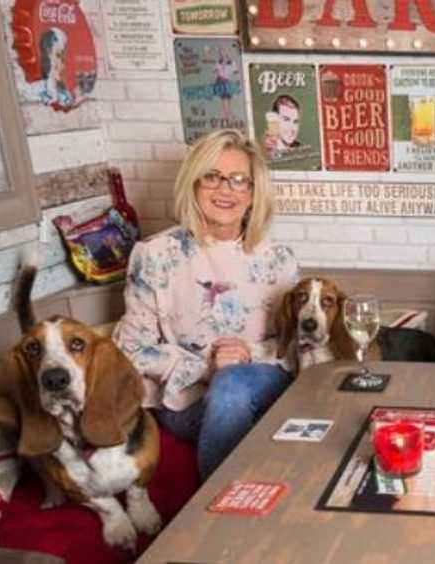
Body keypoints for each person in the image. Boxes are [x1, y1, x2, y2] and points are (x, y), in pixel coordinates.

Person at [113, 129, 298, 480]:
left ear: (253, 193)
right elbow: (131, 349)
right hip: (187, 401)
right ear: (193, 185)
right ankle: (223, 514)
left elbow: (292, 347)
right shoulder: (154, 255)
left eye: (238, 180)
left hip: (259, 385)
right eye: (211, 177)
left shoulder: (278, 259)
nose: (225, 190)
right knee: (228, 390)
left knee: (233, 386)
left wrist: (247, 355)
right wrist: (205, 367)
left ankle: (220, 509)